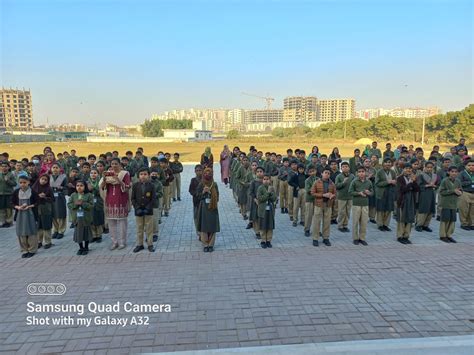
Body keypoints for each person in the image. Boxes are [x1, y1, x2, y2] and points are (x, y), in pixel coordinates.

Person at [100, 158, 131, 250]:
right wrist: (104, 178)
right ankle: (114, 242)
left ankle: (122, 242)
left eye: (116, 164)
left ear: (119, 164)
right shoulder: (108, 173)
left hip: (121, 200)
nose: (114, 165)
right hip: (110, 200)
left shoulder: (125, 173)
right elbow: (102, 187)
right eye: (112, 164)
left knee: (122, 222)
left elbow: (127, 186)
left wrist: (117, 179)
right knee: (111, 223)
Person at [12, 175, 39, 258]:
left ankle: (32, 250)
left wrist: (29, 206)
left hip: (30, 214)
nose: (22, 184)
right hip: (20, 214)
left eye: (24, 182)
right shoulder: (16, 192)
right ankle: (24, 250)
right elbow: (12, 203)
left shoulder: (33, 191)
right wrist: (18, 207)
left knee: (31, 231)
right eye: (20, 183)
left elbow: (37, 202)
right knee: (21, 232)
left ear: (28, 182)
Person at [131, 168, 156, 253]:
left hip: (148, 210)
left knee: (149, 228)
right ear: (138, 176)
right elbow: (133, 198)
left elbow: (153, 199)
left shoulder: (151, 185)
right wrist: (137, 208)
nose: (143, 176)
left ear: (148, 175)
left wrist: (148, 208)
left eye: (145, 174)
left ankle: (150, 244)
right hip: (138, 211)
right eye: (141, 174)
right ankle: (139, 244)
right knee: (139, 228)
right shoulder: (135, 185)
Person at [196, 168, 220, 252]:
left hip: (213, 207)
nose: (207, 174)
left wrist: (210, 193)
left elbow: (217, 197)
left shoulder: (214, 184)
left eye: (209, 173)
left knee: (212, 226)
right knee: (204, 226)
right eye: (206, 172)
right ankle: (205, 244)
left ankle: (211, 244)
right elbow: (197, 196)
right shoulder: (201, 184)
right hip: (204, 208)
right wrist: (203, 192)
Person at [310, 168, 336, 246]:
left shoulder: (332, 183)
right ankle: (315, 238)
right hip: (318, 204)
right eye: (325, 173)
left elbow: (335, 193)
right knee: (316, 222)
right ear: (321, 173)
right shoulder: (316, 182)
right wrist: (323, 195)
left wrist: (332, 195)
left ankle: (326, 238)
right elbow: (312, 193)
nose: (327, 174)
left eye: (328, 173)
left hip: (328, 205)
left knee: (327, 222)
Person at [348, 166, 373, 245]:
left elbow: (372, 192)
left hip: (365, 204)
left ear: (365, 173)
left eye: (363, 171)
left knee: (364, 222)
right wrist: (359, 193)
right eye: (359, 172)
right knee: (355, 222)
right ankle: (355, 238)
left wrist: (369, 192)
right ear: (357, 173)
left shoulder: (368, 182)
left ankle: (362, 238)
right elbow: (350, 191)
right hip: (356, 204)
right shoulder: (354, 181)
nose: (361, 173)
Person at [67, 181, 93, 255]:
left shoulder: (89, 195)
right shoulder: (73, 195)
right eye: (77, 185)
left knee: (86, 233)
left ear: (85, 187)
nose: (79, 187)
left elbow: (91, 206)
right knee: (79, 233)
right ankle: (81, 247)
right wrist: (75, 204)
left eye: (81, 185)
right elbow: (69, 205)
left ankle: (86, 247)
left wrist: (83, 203)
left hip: (86, 218)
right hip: (77, 218)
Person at [396, 164, 420, 244]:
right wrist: (410, 184)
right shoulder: (400, 179)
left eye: (410, 169)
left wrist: (413, 182)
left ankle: (406, 236)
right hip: (402, 201)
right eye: (406, 168)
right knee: (402, 219)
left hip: (411, 201)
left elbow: (417, 189)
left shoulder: (413, 178)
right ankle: (400, 236)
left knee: (409, 218)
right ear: (403, 169)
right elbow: (402, 189)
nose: (408, 170)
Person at [438, 166, 463, 243]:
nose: (454, 173)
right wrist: (453, 191)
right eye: (452, 171)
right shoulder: (445, 181)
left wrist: (460, 193)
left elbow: (460, 190)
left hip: (454, 204)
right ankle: (443, 235)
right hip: (445, 203)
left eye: (456, 172)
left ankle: (449, 235)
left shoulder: (458, 181)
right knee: (445, 220)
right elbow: (441, 192)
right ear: (448, 172)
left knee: (452, 220)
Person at [415, 161, 439, 232]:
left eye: (431, 167)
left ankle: (426, 225)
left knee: (430, 210)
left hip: (432, 193)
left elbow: (439, 184)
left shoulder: (435, 176)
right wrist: (427, 185)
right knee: (423, 209)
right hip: (423, 194)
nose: (429, 169)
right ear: (424, 167)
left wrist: (435, 186)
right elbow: (418, 186)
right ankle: (419, 225)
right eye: (428, 167)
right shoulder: (421, 175)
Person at [32, 174, 54, 249]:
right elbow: (31, 198)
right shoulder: (34, 188)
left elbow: (53, 199)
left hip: (46, 209)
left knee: (47, 225)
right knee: (39, 226)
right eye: (42, 179)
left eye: (45, 180)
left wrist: (45, 197)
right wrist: (38, 196)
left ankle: (48, 242)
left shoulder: (49, 188)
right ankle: (39, 241)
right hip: (37, 209)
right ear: (39, 179)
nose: (43, 181)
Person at [375, 158, 397, 232]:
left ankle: (386, 225)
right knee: (381, 209)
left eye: (389, 162)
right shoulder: (379, 172)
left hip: (390, 192)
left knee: (388, 209)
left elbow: (395, 181)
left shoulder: (393, 172)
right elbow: (377, 183)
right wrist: (387, 182)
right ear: (383, 163)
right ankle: (380, 225)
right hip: (382, 193)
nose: (388, 164)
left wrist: (394, 182)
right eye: (386, 162)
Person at [257, 174, 277, 248]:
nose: (266, 181)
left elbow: (274, 198)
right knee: (263, 225)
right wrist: (268, 193)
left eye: (267, 179)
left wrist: (271, 194)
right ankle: (263, 240)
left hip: (270, 210)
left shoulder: (272, 188)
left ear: (270, 180)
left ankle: (268, 240)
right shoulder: (260, 188)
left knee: (270, 226)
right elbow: (260, 199)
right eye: (264, 179)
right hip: (262, 210)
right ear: (262, 180)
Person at [50, 163, 68, 239]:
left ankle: (61, 230)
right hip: (51, 197)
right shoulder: (49, 177)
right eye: (53, 167)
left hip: (60, 197)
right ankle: (55, 230)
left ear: (60, 169)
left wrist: (61, 188)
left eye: (57, 167)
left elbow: (66, 188)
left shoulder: (63, 177)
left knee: (60, 213)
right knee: (53, 214)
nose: (55, 169)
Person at [335, 162, 354, 232]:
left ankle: (345, 225)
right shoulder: (339, 176)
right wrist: (343, 183)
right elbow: (336, 186)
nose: (345, 168)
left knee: (348, 212)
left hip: (350, 197)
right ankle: (340, 225)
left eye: (346, 166)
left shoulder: (352, 176)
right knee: (341, 212)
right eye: (343, 167)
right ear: (341, 168)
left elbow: (354, 185)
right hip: (341, 197)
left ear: (349, 168)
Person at [87, 168, 105, 243]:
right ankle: (93, 235)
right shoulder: (87, 182)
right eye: (91, 173)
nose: (93, 174)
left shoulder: (101, 181)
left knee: (98, 218)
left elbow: (103, 190)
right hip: (90, 202)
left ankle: (99, 235)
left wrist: (94, 188)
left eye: (95, 173)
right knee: (91, 219)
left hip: (98, 201)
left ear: (98, 174)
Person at [458, 159, 474, 230]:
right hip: (465, 193)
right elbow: (459, 183)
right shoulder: (462, 173)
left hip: (473, 193)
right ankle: (464, 224)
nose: (471, 167)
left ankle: (471, 224)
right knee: (464, 210)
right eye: (469, 165)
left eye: (473, 165)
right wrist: (470, 182)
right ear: (465, 166)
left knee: (472, 210)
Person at [248, 166, 264, 238]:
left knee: (262, 217)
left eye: (261, 171)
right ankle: (257, 232)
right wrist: (255, 199)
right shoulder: (253, 182)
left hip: (264, 202)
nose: (259, 173)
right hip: (255, 202)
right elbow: (251, 192)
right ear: (255, 173)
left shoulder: (266, 181)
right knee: (255, 217)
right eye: (258, 172)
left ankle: (262, 230)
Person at [0, 161, 16, 228]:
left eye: (5, 166)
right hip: (1, 194)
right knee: (1, 208)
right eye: (2, 166)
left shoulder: (11, 174)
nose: (4, 168)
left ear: (8, 167)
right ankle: (2, 222)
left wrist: (8, 181)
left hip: (9, 194)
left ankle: (9, 222)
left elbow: (14, 183)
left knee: (9, 208)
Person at [189, 165, 203, 237]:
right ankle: (198, 232)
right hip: (196, 201)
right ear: (195, 171)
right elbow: (190, 190)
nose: (198, 172)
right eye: (197, 170)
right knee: (196, 217)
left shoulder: (206, 179)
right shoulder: (193, 180)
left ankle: (204, 232)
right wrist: (196, 194)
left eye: (200, 170)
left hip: (204, 202)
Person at [303, 166, 318, 237]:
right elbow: (308, 190)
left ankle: (316, 230)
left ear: (316, 171)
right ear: (308, 173)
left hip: (317, 200)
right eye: (310, 172)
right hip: (309, 199)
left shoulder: (319, 179)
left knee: (317, 215)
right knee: (308, 215)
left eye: (313, 171)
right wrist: (315, 188)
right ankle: (307, 229)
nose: (312, 173)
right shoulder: (307, 180)